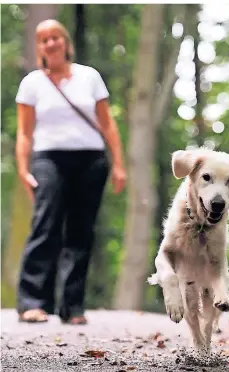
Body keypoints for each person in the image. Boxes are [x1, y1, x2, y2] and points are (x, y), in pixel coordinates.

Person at [15, 19, 126, 324]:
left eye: (55, 38)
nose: (50, 43)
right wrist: (23, 169)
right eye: (43, 39)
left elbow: (107, 123)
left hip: (90, 160)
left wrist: (118, 163)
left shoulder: (89, 77)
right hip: (47, 158)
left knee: (80, 231)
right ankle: (32, 302)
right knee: (45, 226)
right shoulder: (32, 83)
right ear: (39, 47)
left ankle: (72, 306)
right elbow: (24, 133)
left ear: (65, 42)